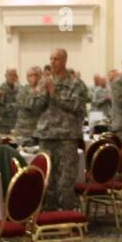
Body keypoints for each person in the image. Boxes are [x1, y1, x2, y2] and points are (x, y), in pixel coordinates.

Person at [36, 48, 85, 210]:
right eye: (51, 59)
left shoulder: (76, 83)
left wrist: (54, 93)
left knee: (65, 180)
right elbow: (35, 107)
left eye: (56, 59)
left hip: (66, 136)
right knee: (46, 179)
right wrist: (38, 92)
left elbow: (76, 106)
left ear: (64, 61)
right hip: (46, 135)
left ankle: (66, 217)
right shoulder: (45, 81)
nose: (52, 62)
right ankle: (48, 217)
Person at [14, 66, 44, 143]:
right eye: (30, 76)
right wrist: (35, 93)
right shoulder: (22, 90)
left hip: (40, 131)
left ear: (40, 76)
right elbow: (26, 104)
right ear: (27, 78)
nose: (33, 77)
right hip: (24, 131)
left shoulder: (44, 90)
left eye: (35, 75)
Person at [0, 68, 21, 133]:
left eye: (14, 75)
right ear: (5, 76)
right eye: (10, 75)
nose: (12, 77)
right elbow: (0, 108)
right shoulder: (1, 89)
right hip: (4, 124)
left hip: (16, 123)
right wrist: (15, 106)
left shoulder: (19, 88)